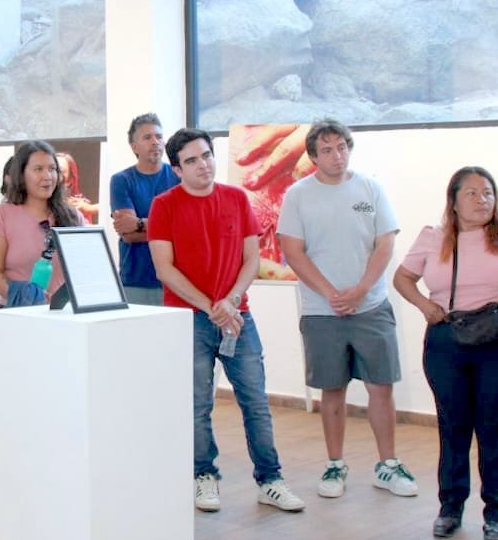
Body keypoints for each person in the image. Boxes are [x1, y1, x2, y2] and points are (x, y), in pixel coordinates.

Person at [148, 128, 304, 514]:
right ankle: (204, 475)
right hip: (189, 319)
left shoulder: (236, 198)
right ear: (176, 169)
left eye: (206, 155)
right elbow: (165, 269)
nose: (203, 165)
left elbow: (252, 259)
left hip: (238, 317)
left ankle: (270, 480)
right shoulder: (163, 207)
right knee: (197, 404)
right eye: (192, 160)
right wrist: (210, 306)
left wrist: (230, 302)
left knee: (255, 403)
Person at [395, 166, 498, 540]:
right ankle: (450, 506)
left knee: (494, 425)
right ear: (454, 201)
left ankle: (497, 510)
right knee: (453, 425)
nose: (483, 200)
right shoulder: (433, 238)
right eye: (473, 193)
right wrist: (424, 306)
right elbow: (402, 278)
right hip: (447, 338)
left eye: (488, 193)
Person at [276, 119, 417, 502]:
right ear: (313, 157)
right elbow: (293, 251)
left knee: (381, 387)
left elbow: (384, 244)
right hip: (322, 311)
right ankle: (335, 464)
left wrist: (361, 290)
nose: (337, 156)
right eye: (327, 150)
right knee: (332, 389)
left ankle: (388, 464)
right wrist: (332, 294)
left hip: (371, 306)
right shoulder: (298, 196)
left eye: (342, 147)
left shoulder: (371, 188)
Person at [0, 140, 83, 308]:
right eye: (38, 169)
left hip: (63, 314)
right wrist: (28, 299)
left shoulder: (73, 216)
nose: (47, 176)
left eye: (52, 169)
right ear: (21, 175)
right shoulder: (1, 214)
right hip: (18, 313)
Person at [108, 113, 179, 306]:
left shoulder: (178, 176)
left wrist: (139, 223)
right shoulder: (121, 180)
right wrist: (171, 230)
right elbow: (129, 235)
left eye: (159, 136)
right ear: (134, 147)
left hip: (177, 279)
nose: (155, 142)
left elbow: (186, 229)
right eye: (147, 137)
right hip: (135, 280)